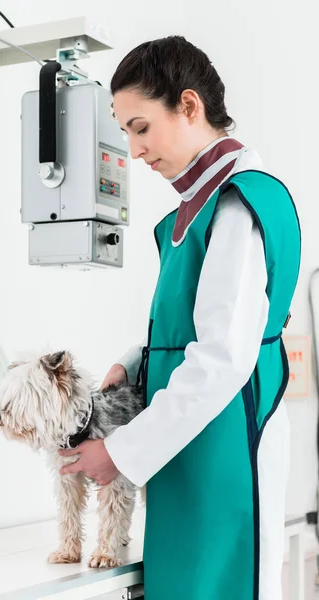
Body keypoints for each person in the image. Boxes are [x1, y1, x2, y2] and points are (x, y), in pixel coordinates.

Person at [59, 36, 301, 600]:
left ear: (189, 106)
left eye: (141, 127)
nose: (134, 152)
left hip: (224, 449)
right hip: (186, 449)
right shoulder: (192, 211)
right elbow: (193, 332)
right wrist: (131, 363)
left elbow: (221, 358)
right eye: (125, 134)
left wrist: (118, 452)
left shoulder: (239, 202)